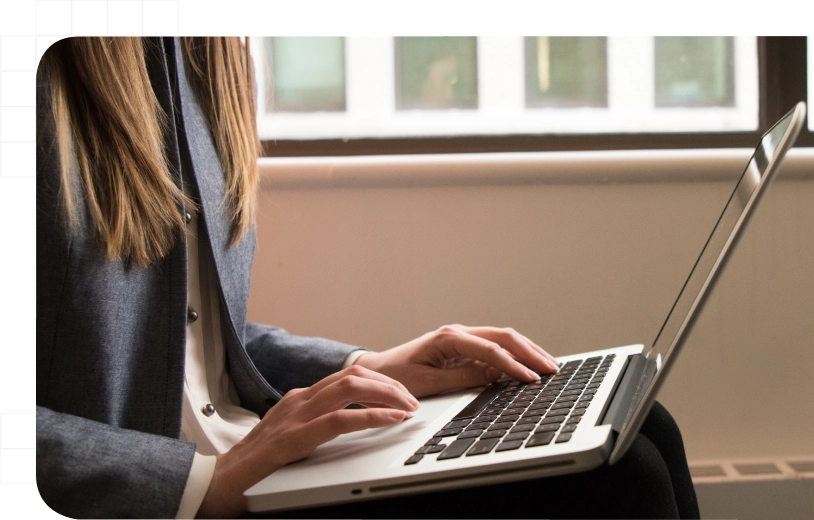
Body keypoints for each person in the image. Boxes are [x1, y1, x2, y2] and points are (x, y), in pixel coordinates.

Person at [36, 36, 699, 519]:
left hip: (245, 461)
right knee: (623, 482)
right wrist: (198, 484)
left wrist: (367, 366)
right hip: (165, 489)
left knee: (643, 429)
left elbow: (188, 344)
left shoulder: (203, 55)